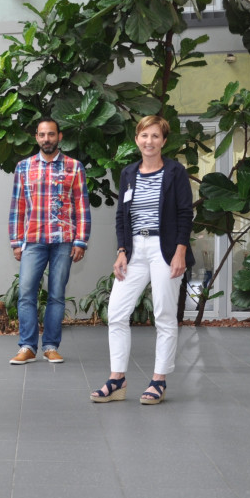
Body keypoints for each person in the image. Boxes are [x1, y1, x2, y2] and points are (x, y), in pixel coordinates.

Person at [90, 115, 194, 406]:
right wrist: (122, 250)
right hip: (135, 249)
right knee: (117, 313)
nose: (149, 141)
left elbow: (185, 214)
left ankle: (158, 380)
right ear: (136, 139)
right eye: (144, 136)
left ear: (163, 141)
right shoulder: (128, 173)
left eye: (155, 136)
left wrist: (180, 251)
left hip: (166, 249)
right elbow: (123, 215)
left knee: (163, 315)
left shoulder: (175, 172)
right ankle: (117, 379)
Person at [8, 117, 91, 365]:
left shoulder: (74, 167)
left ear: (60, 136)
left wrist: (80, 240)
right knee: (26, 294)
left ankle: (51, 346)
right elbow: (17, 207)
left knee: (56, 295)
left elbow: (82, 207)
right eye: (42, 135)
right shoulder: (23, 167)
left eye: (51, 134)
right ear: (36, 137)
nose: (47, 139)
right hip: (33, 240)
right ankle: (27, 347)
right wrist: (15, 241)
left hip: (64, 240)